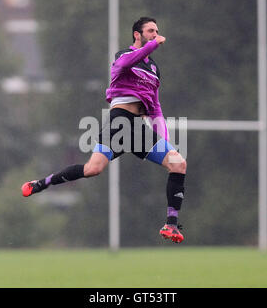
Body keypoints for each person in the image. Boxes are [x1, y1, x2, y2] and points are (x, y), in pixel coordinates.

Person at [21, 17, 187, 243]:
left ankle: (171, 225)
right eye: (150, 30)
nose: (155, 34)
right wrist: (153, 44)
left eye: (157, 31)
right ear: (137, 35)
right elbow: (128, 63)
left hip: (138, 128)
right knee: (92, 169)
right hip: (119, 122)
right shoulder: (124, 56)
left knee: (178, 163)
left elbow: (155, 108)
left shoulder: (155, 69)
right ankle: (42, 183)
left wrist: (165, 140)